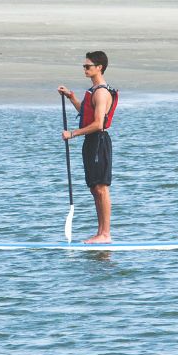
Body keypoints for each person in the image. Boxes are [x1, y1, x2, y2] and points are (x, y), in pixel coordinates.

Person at [58, 51, 118, 244]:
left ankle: (105, 234)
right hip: (91, 142)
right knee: (95, 188)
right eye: (84, 66)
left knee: (101, 188)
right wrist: (71, 97)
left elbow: (98, 124)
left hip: (99, 141)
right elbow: (86, 114)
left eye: (88, 66)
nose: (85, 69)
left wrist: (73, 133)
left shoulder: (101, 93)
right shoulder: (94, 91)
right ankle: (100, 232)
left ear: (99, 68)